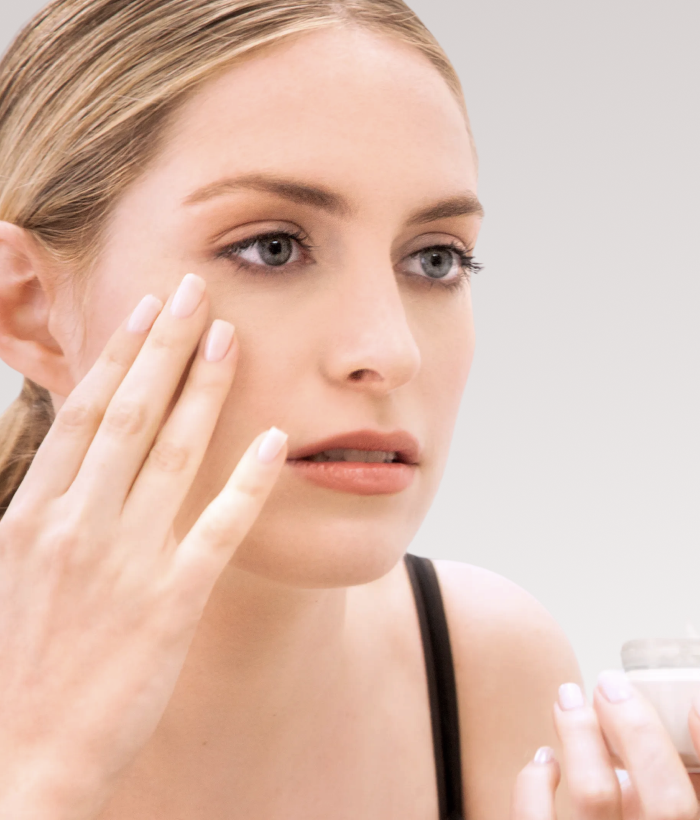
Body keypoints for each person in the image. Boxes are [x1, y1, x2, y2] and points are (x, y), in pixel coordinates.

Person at [0, 1, 698, 818]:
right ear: (30, 308)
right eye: (272, 247)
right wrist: (36, 777)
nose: (389, 349)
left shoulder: (484, 666)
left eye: (436, 258)